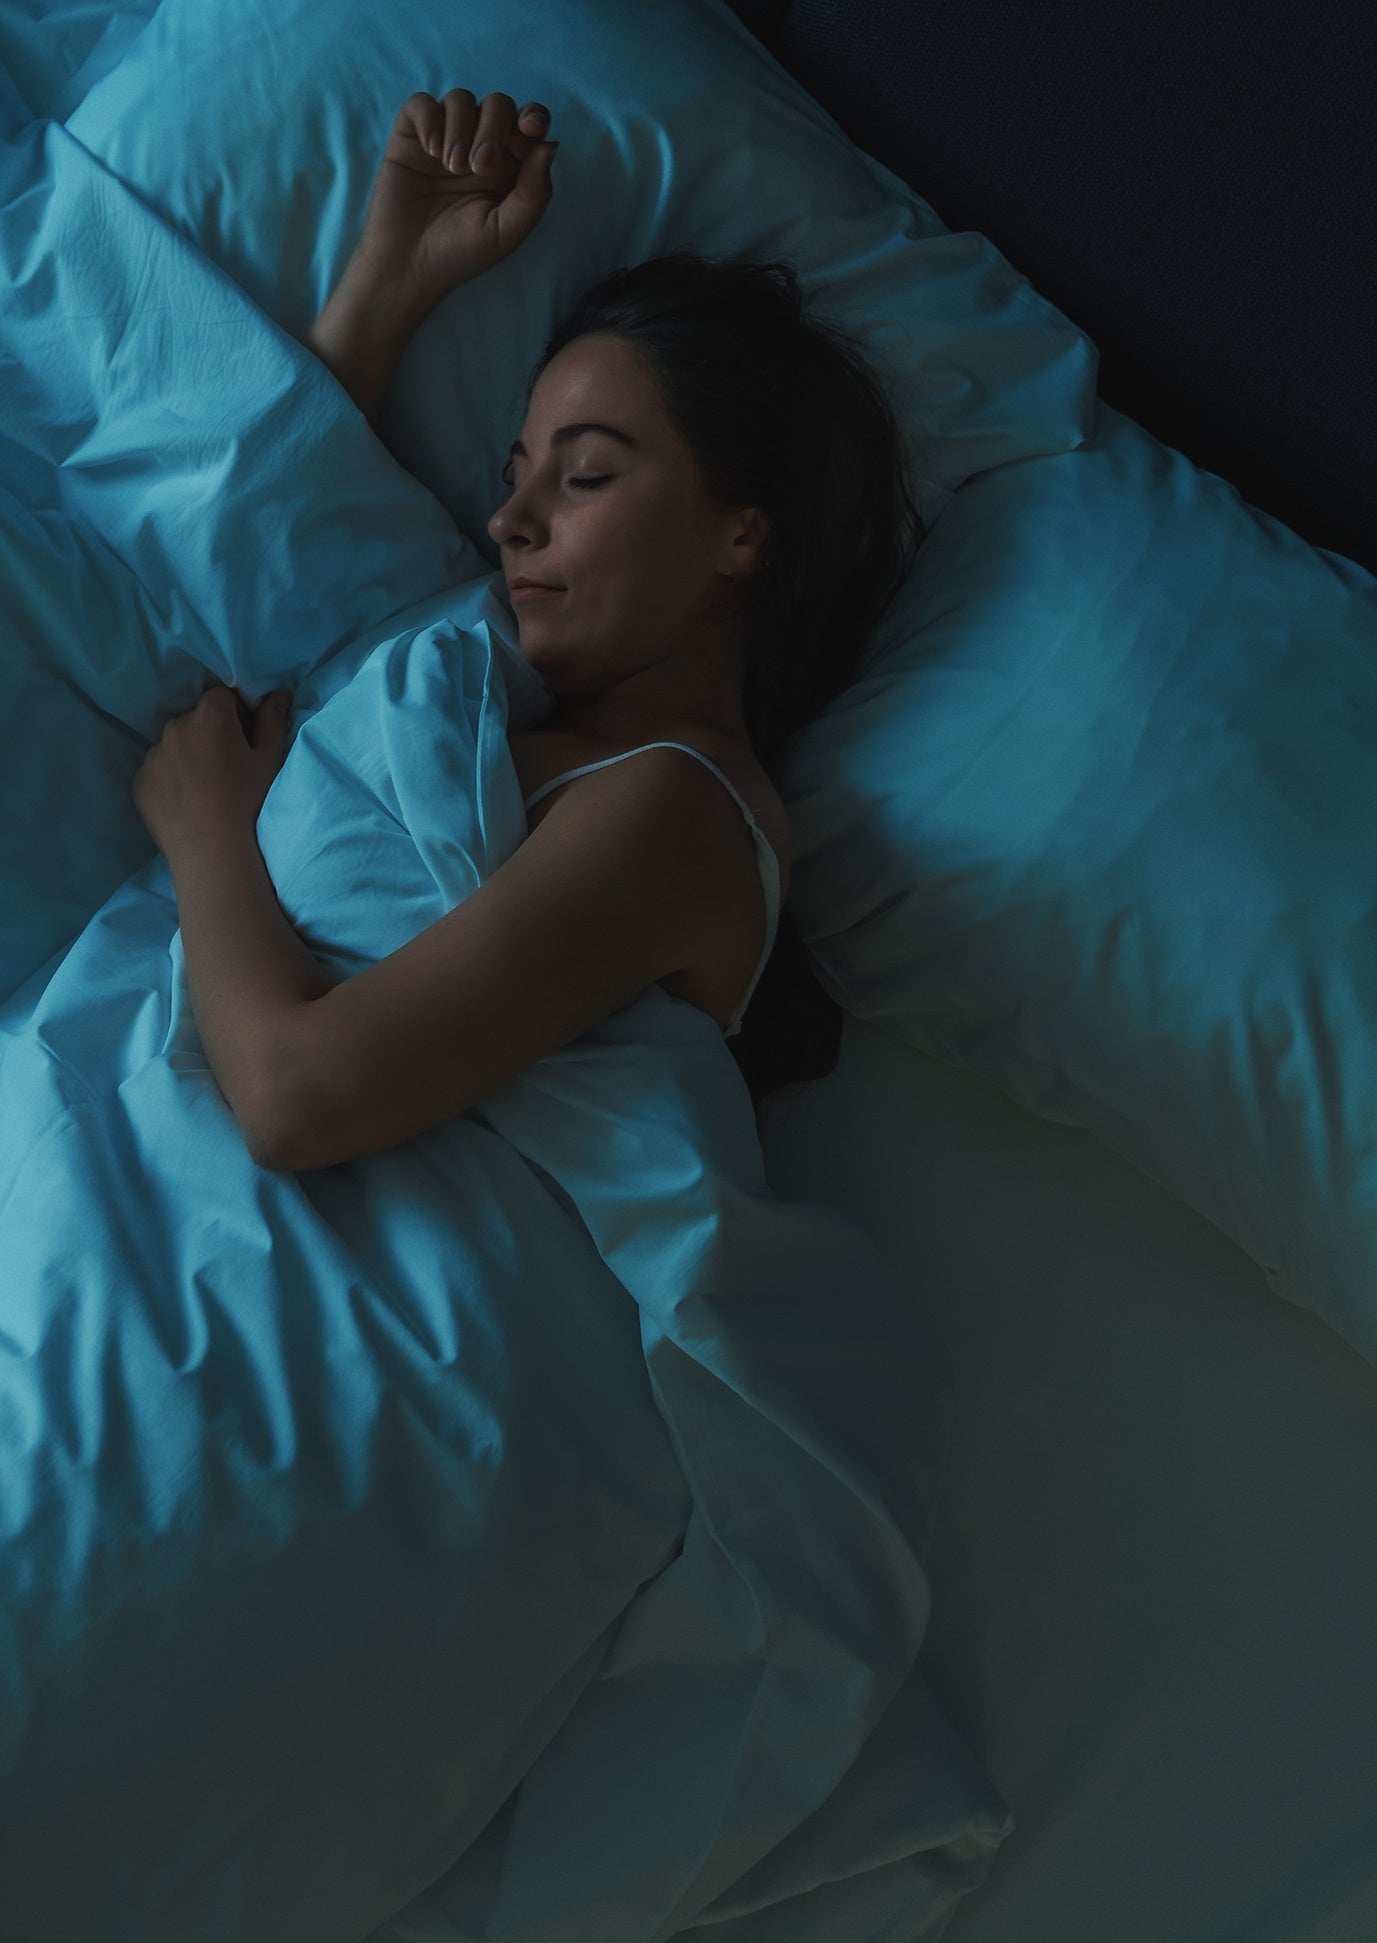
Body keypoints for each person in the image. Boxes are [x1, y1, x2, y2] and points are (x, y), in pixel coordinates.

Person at [133, 88, 918, 1171]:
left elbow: (295, 1099)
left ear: (742, 533)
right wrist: (396, 270)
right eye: (517, 475)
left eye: (585, 474)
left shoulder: (674, 810)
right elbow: (278, 560)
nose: (510, 520)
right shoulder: (495, 686)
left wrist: (206, 841)